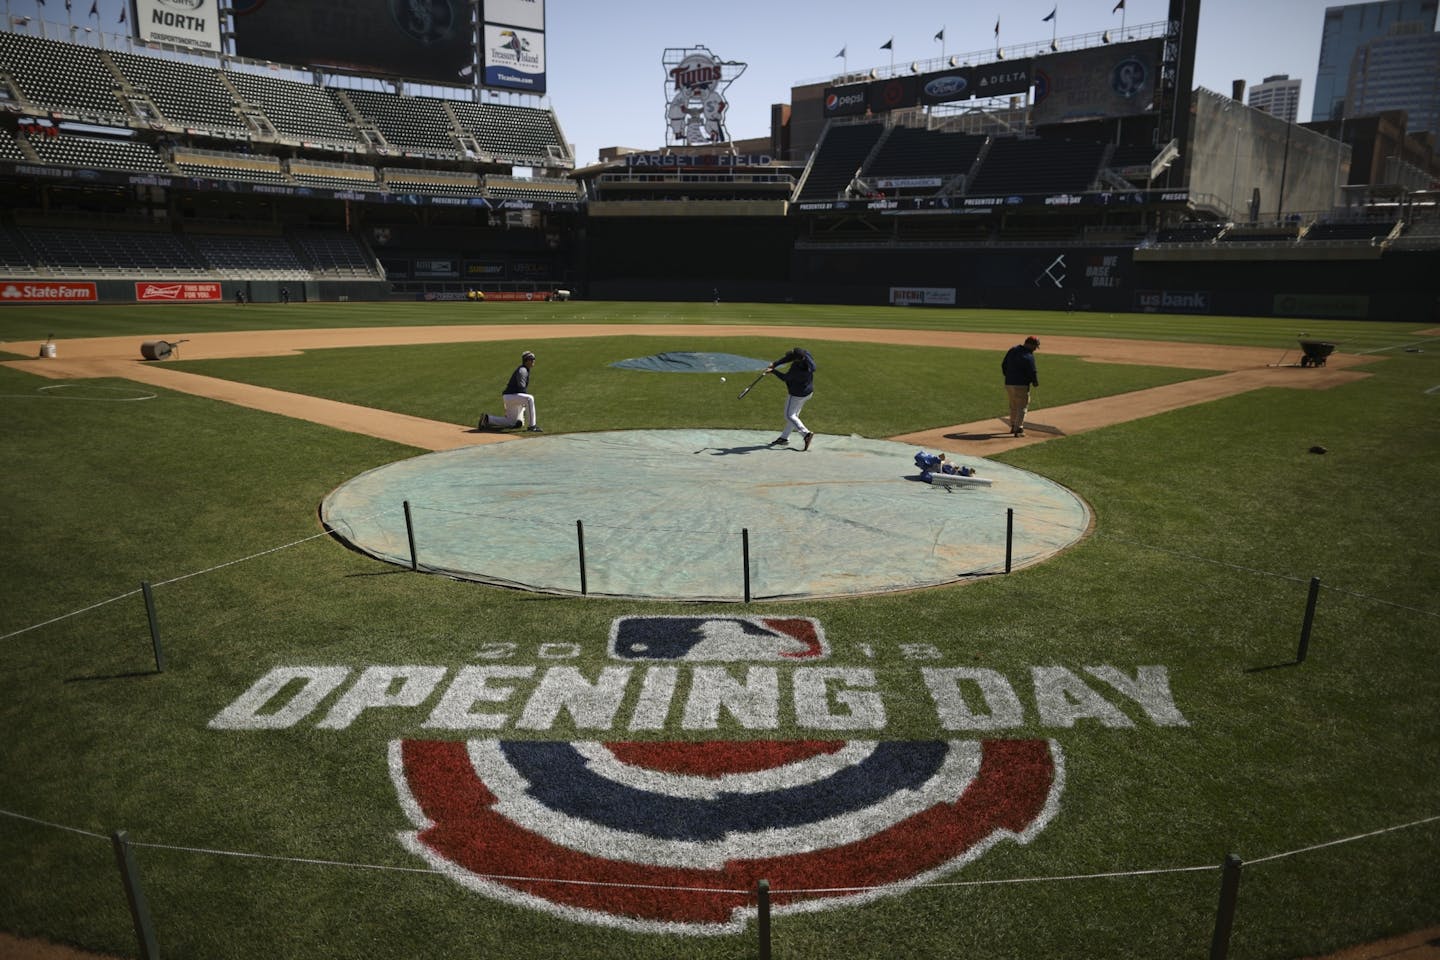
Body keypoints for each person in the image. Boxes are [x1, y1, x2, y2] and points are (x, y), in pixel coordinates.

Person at [479, 350, 543, 432]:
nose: (534, 360)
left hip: (511, 397)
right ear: (526, 360)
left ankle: (488, 419)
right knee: (529, 398)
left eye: (534, 359)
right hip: (511, 396)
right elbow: (521, 388)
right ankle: (532, 426)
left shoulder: (524, 369)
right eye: (531, 359)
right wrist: (523, 403)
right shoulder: (522, 370)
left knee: (513, 422)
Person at [766, 346, 816, 450]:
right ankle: (784, 438)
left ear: (797, 359)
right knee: (794, 417)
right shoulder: (806, 355)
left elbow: (785, 378)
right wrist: (775, 364)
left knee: (789, 415)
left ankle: (806, 434)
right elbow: (788, 358)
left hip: (796, 395)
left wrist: (773, 371)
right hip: (807, 392)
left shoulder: (797, 369)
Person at [1001, 335, 1040, 437]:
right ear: (1030, 344)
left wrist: (1008, 376)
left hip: (1008, 383)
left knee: (1013, 405)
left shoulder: (1013, 350)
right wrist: (1035, 382)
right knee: (1022, 406)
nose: (1035, 349)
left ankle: (1013, 425)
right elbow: (1033, 371)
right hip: (1021, 385)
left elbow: (1004, 364)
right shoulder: (1028, 356)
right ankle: (1018, 428)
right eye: (1035, 346)